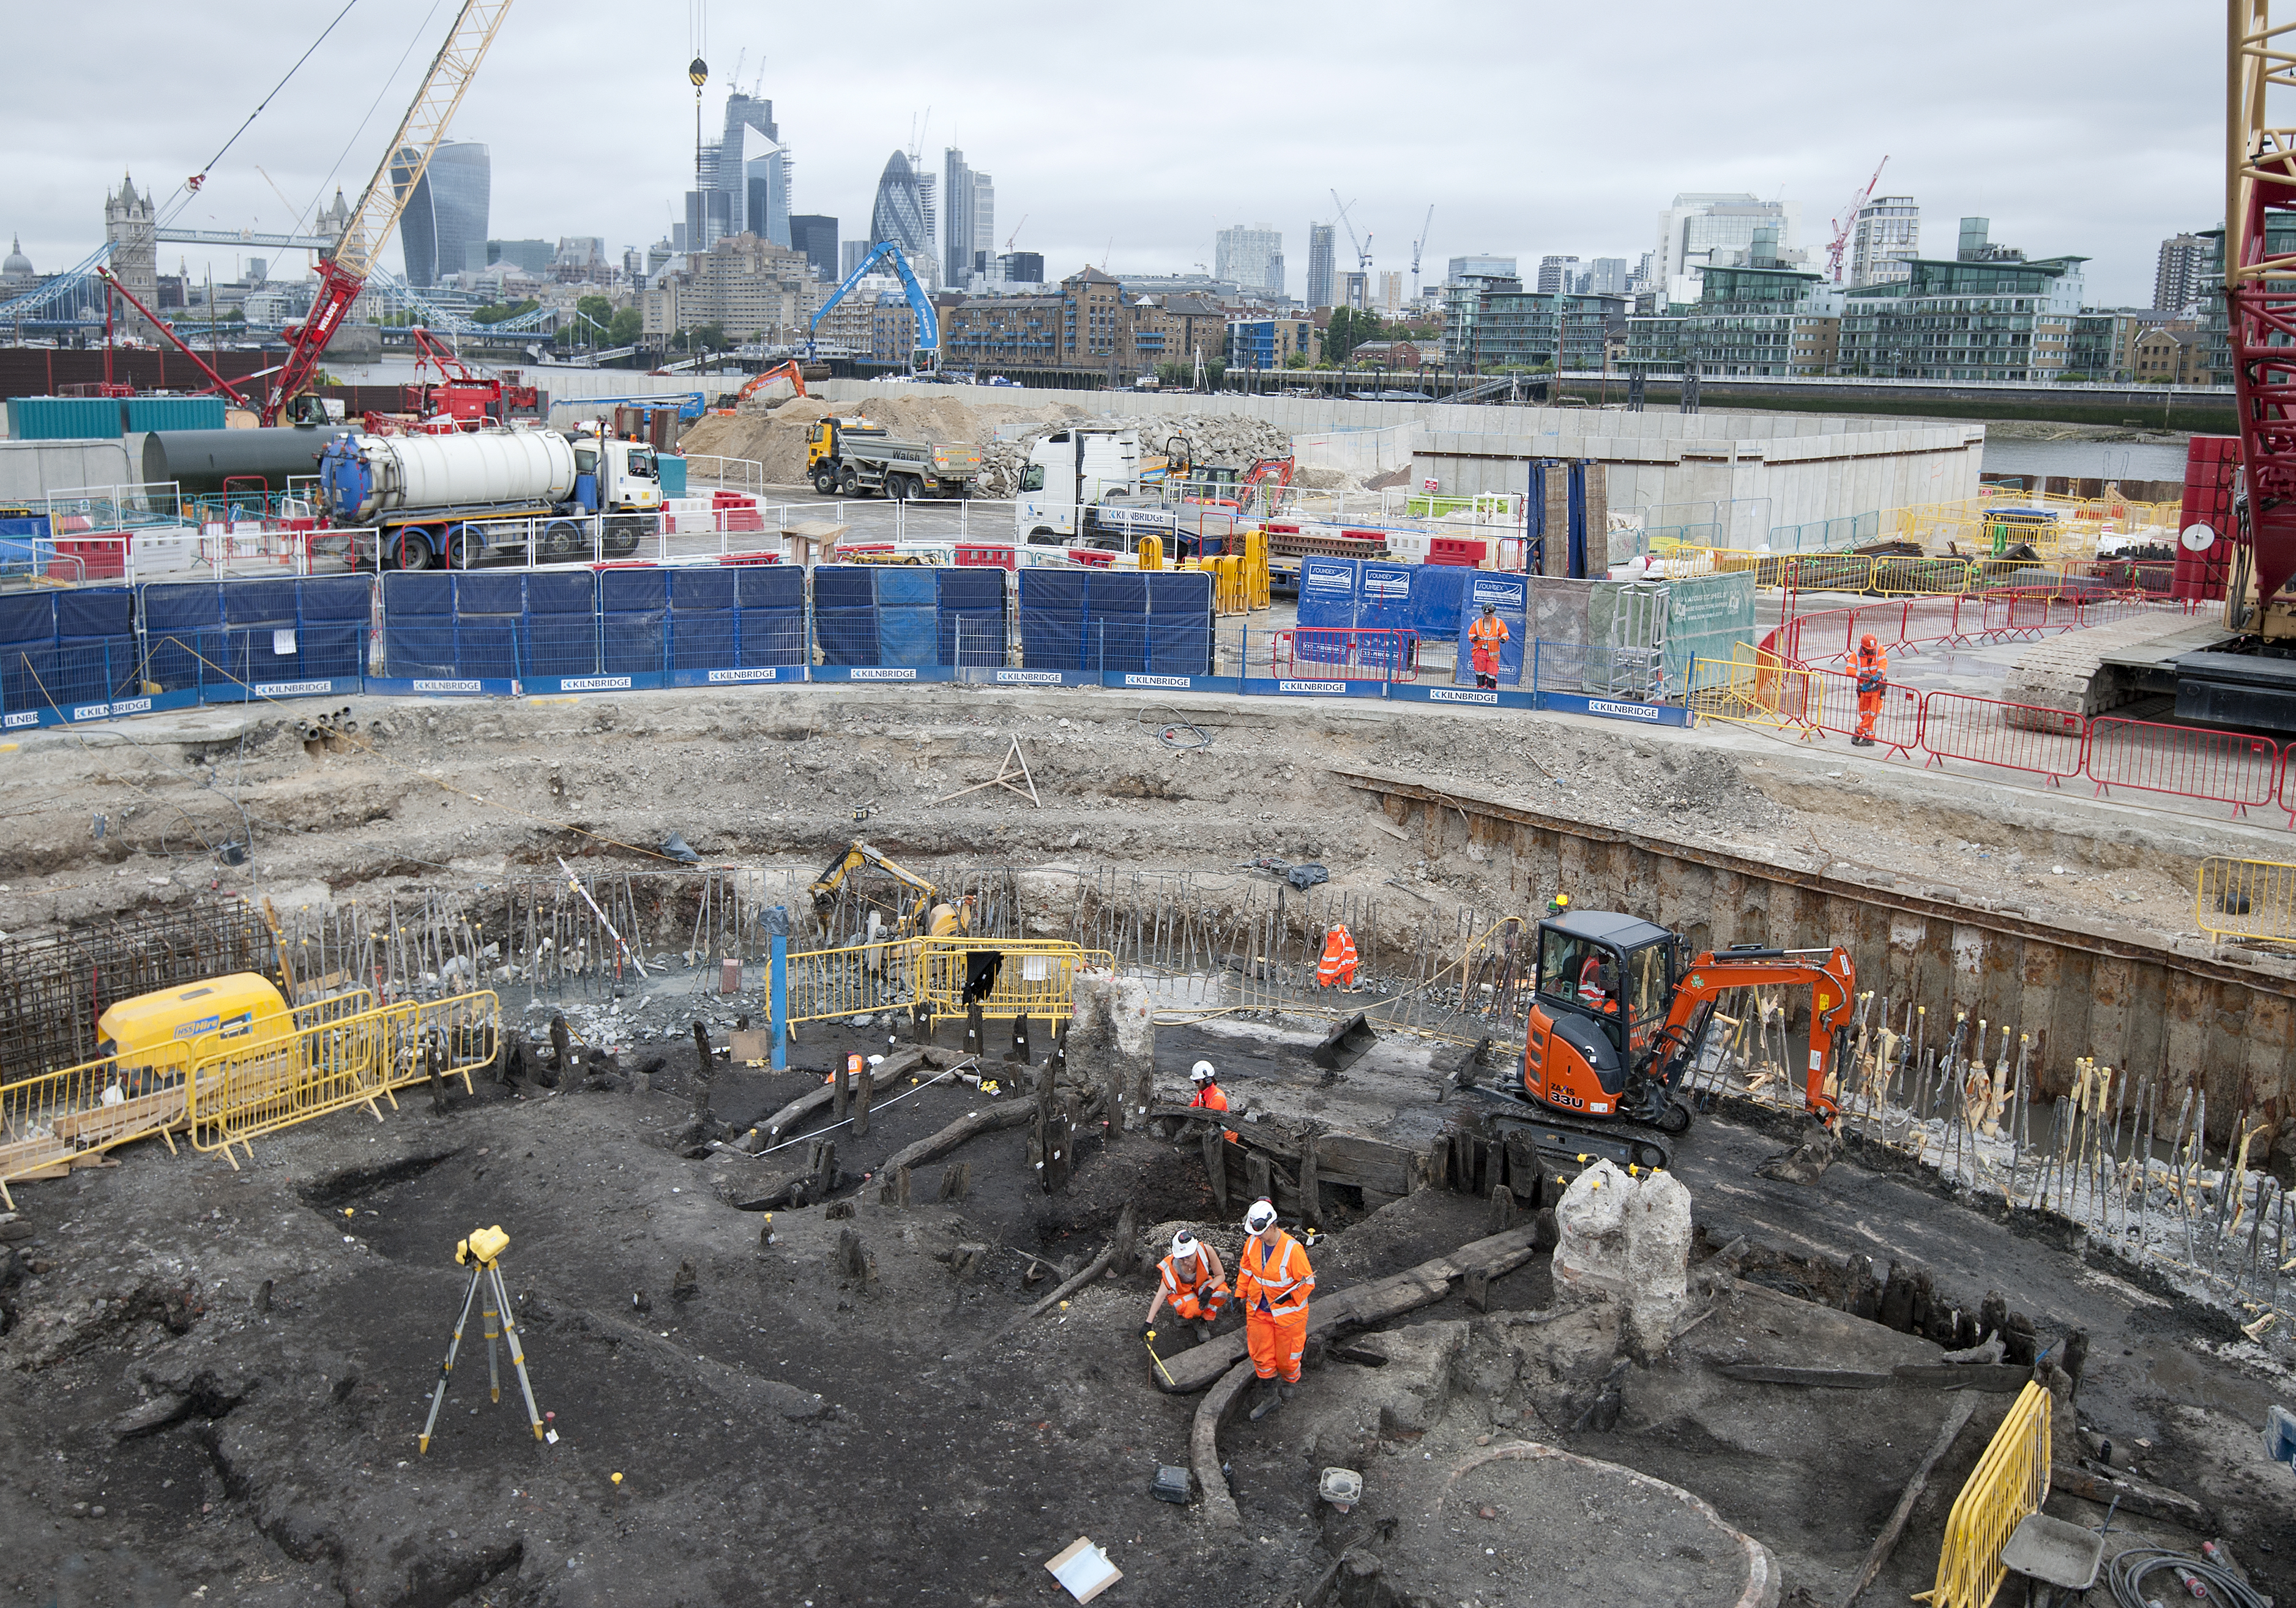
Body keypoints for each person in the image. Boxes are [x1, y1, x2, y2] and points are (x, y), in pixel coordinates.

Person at [1235, 1198, 1314, 1418]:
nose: (1257, 1236)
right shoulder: (1252, 1243)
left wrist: (1289, 1298)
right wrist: (1239, 1294)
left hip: (1288, 1316)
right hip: (1258, 1311)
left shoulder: (1293, 1250)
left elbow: (1307, 1283)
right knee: (1262, 1357)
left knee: (1287, 1359)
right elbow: (1246, 1270)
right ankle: (1270, 1398)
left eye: (1260, 1232)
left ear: (1272, 1226)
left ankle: (1290, 1379)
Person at [1142, 1229, 1229, 1342]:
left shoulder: (1206, 1251)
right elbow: (1161, 1294)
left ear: (1195, 1251)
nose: (1185, 1261)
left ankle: (1203, 1321)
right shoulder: (1172, 1267)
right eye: (1181, 1258)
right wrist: (1148, 1323)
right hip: (1181, 1293)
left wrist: (1209, 1290)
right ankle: (1181, 1312)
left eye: (1188, 1257)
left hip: (1200, 1286)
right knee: (1193, 1310)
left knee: (1221, 1292)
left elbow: (1221, 1276)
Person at [1852, 634, 1889, 748]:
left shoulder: (1880, 650)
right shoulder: (1856, 655)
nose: (1871, 652)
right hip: (1864, 689)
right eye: (1869, 650)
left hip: (1878, 689)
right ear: (1863, 647)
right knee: (1864, 714)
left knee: (1873, 712)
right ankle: (1869, 738)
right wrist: (1865, 676)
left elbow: (1883, 663)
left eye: (1872, 650)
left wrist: (1879, 674)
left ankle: (1860, 731)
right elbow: (1849, 670)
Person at [1188, 1060, 1239, 1142]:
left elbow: (1207, 1119)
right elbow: (1192, 1109)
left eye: (1197, 1082)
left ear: (1207, 1080)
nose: (1196, 1084)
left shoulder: (1218, 1098)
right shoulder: (1202, 1093)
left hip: (1226, 1138)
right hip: (1214, 1134)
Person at [1467, 603, 1510, 690]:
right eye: (1486, 615)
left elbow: (1505, 634)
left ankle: (1491, 689)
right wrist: (1474, 638)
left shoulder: (1499, 622)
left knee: (1492, 672)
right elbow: (1471, 634)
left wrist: (1503, 639)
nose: (1487, 616)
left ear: (1493, 614)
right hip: (1479, 650)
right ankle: (1480, 687)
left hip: (1493, 652)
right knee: (1480, 671)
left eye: (1489, 615)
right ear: (1483, 614)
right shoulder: (1477, 623)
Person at [1316, 924, 1358, 989]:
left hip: (1338, 969)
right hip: (1342, 968)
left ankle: (1327, 982)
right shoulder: (1344, 941)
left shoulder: (1338, 943)